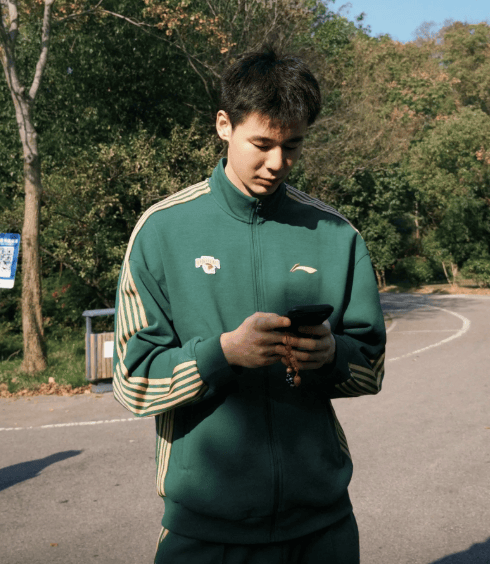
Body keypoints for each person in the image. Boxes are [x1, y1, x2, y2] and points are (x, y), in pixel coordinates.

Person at [113, 47, 386, 563]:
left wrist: (332, 355)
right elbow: (132, 382)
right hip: (205, 533)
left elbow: (370, 368)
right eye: (262, 144)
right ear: (224, 125)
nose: (277, 163)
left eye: (292, 145)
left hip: (322, 528)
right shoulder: (162, 231)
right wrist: (222, 354)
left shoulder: (336, 235)